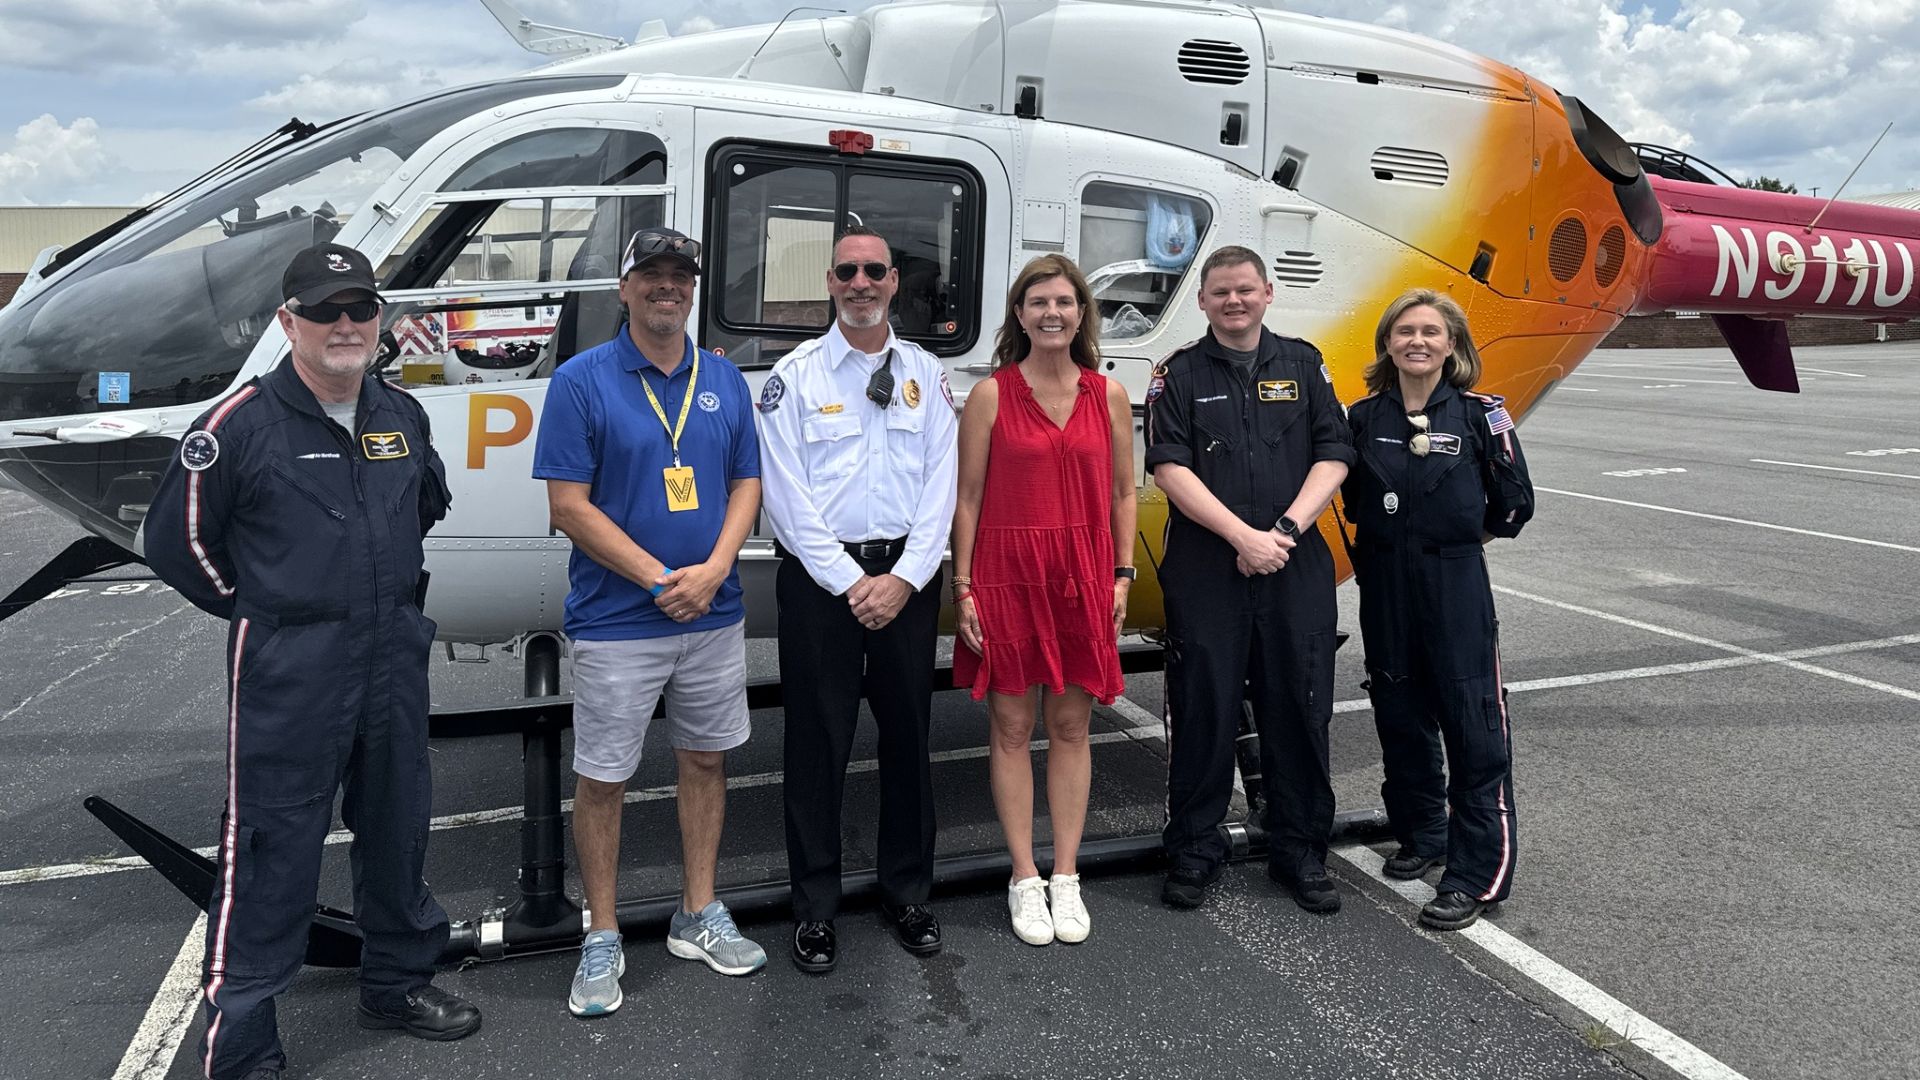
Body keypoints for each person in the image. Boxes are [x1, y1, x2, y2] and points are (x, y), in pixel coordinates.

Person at [144, 243, 479, 1080]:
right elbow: (179, 545)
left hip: (391, 656)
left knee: (398, 823)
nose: (344, 324)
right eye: (324, 310)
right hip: (292, 667)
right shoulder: (235, 427)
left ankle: (396, 982)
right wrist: (268, 610)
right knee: (271, 846)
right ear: (288, 322)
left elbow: (422, 508)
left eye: (359, 308)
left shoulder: (402, 415)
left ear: (379, 319)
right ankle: (242, 1045)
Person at [532, 227, 767, 1016]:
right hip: (617, 620)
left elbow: (746, 483)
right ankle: (601, 932)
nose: (668, 286)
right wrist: (662, 578)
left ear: (693, 289)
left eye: (680, 276)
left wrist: (716, 570)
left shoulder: (722, 378)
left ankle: (697, 911)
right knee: (605, 778)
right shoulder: (580, 381)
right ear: (624, 288)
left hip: (712, 613)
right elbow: (568, 507)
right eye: (652, 274)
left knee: (704, 761)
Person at [758, 225, 959, 973]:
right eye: (847, 271)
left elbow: (941, 486)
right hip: (821, 586)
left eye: (875, 270)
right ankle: (815, 908)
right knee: (817, 745)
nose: (861, 283)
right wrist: (850, 582)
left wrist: (905, 577)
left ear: (895, 281)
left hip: (906, 581)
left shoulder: (927, 376)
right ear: (830, 282)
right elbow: (785, 497)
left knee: (909, 738)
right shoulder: (795, 377)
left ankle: (907, 892)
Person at [1143, 245, 1355, 913]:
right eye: (1220, 292)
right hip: (1209, 568)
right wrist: (1242, 538)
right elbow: (1168, 467)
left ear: (1267, 293)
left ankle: (1301, 852)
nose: (1233, 301)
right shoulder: (1176, 373)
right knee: (1203, 710)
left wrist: (1282, 533)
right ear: (1202, 301)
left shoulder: (1305, 364)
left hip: (1293, 565)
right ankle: (1194, 850)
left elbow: (1335, 452)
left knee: (1300, 707)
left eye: (1244, 289)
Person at [951, 255, 1134, 946]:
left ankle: (1066, 874)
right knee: (1010, 727)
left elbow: (1123, 492)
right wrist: (964, 586)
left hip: (1082, 576)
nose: (1051, 313)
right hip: (1007, 575)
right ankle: (1024, 877)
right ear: (1020, 315)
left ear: (1082, 312)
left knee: (1071, 726)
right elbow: (967, 499)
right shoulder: (991, 395)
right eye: (1038, 302)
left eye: (1063, 301)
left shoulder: (1108, 395)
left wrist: (1121, 575)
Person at [1342, 288, 1533, 931]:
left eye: (1430, 331)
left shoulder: (1482, 416)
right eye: (1404, 331)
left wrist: (1453, 540)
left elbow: (1514, 505)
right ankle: (1424, 833)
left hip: (1454, 583)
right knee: (1398, 713)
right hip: (1384, 585)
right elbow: (1353, 501)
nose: (1416, 341)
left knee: (1473, 724)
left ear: (1452, 345)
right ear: (1387, 343)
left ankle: (1476, 874)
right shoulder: (1363, 418)